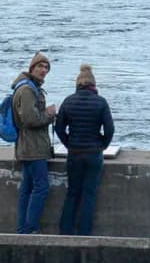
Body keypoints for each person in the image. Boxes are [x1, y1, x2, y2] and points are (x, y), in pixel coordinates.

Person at [55, 64, 115, 237]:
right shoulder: (101, 102)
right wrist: (102, 145)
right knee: (89, 194)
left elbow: (59, 129)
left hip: (74, 153)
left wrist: (68, 144)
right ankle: (84, 233)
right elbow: (110, 129)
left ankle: (65, 232)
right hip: (94, 153)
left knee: (72, 193)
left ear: (77, 84)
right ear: (93, 86)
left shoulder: (68, 101)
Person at [11, 52, 59, 234]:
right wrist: (49, 113)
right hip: (33, 148)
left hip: (26, 146)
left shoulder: (25, 87)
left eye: (46, 68)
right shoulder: (28, 90)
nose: (44, 70)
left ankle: (22, 229)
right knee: (41, 187)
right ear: (32, 67)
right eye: (40, 66)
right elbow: (31, 120)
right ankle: (30, 228)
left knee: (27, 188)